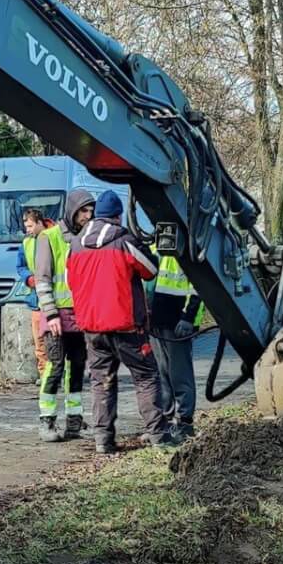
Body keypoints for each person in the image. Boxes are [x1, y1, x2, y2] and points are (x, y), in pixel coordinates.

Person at [66, 189, 172, 452]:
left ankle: (103, 440)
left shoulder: (76, 245)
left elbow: (71, 282)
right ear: (117, 215)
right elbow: (150, 270)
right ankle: (158, 435)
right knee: (146, 377)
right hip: (127, 326)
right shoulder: (124, 240)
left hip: (92, 328)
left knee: (101, 382)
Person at [24, 192, 91, 442]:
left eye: (91, 210)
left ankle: (74, 422)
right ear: (73, 210)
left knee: (77, 368)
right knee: (54, 367)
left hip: (80, 317)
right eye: (84, 210)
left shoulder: (86, 237)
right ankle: (47, 422)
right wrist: (51, 314)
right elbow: (42, 280)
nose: (88, 215)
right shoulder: (48, 238)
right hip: (56, 316)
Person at [149, 252, 202, 441]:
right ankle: (167, 420)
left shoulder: (188, 248)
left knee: (180, 373)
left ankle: (185, 422)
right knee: (162, 373)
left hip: (177, 322)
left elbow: (199, 285)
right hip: (158, 320)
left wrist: (189, 317)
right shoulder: (158, 244)